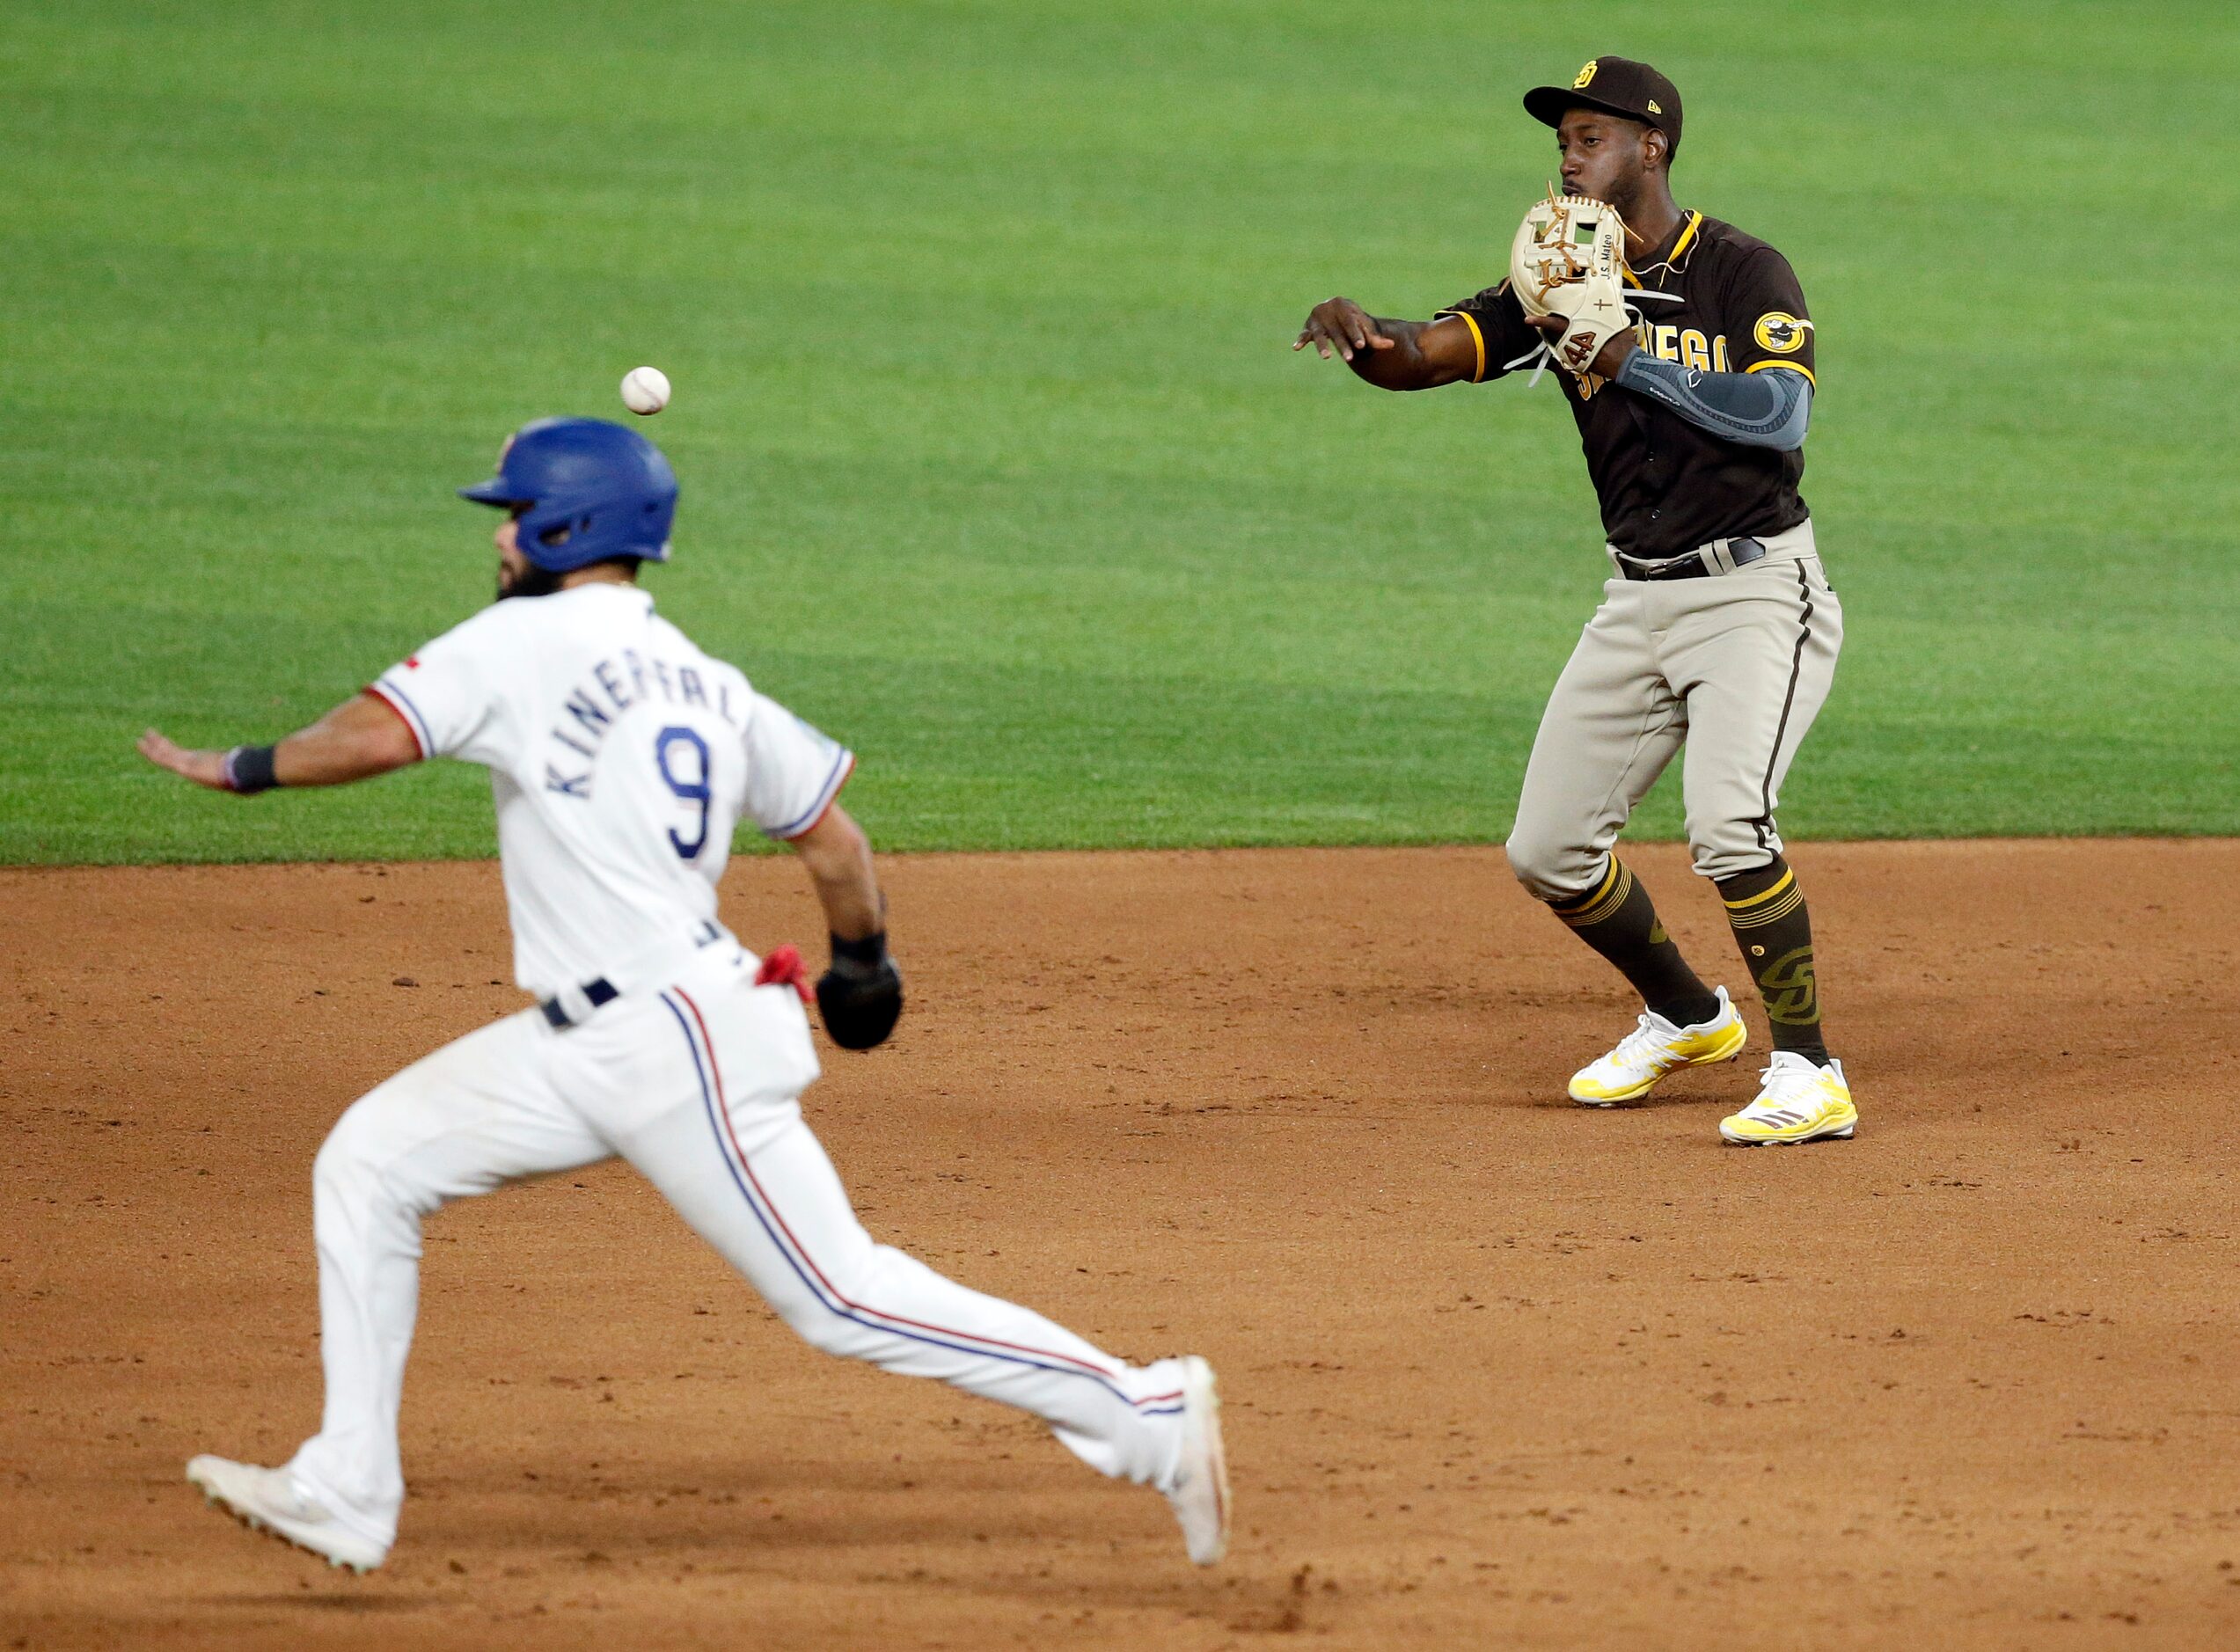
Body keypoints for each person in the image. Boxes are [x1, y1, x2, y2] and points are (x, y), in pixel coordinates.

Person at [138, 416, 1228, 1571]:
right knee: (369, 1161)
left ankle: (1143, 1408)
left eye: (513, 512)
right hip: (592, 1040)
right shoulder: (708, 679)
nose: (502, 534)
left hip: (669, 1035)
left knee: (842, 1297)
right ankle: (347, 1486)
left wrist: (244, 765)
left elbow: (373, 734)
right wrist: (863, 963)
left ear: (566, 525)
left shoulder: (520, 641)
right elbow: (834, 842)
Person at [1294, 56, 1854, 1145]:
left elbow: (1778, 420)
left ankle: (1808, 1070)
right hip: (1635, 599)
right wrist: (1365, 337)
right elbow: (1427, 354)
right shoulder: (1556, 277)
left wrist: (1630, 362)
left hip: (1752, 590)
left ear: (1650, 149)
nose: (1567, 155)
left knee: (1729, 826)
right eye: (1560, 139)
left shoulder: (1742, 270)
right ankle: (1690, 1017)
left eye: (1589, 136)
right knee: (1546, 851)